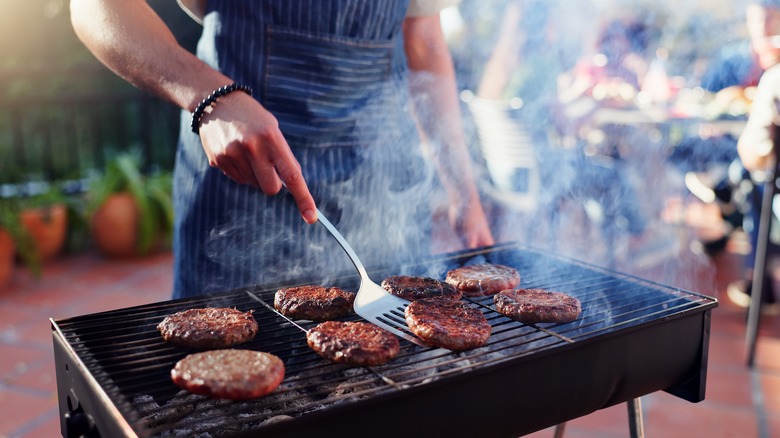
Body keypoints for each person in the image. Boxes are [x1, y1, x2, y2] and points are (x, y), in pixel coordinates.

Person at [70, 0, 494, 298]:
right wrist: (209, 96)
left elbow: (425, 41)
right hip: (239, 191)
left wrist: (465, 194)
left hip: (380, 188)